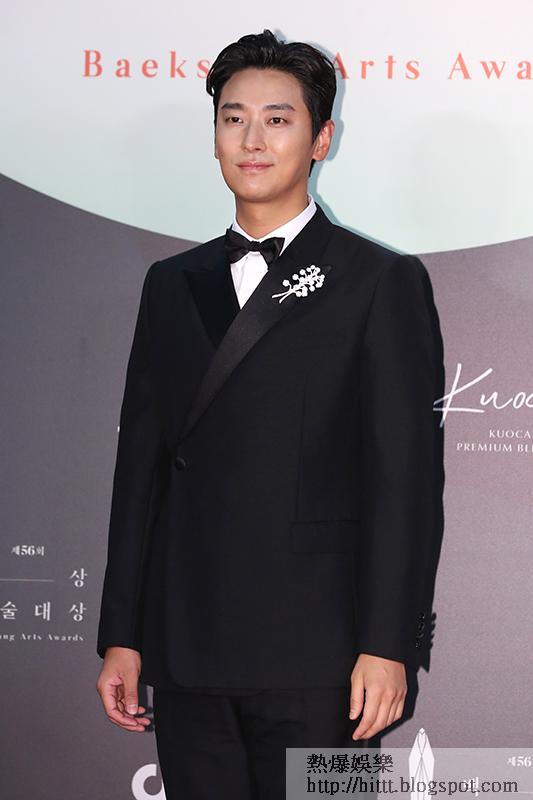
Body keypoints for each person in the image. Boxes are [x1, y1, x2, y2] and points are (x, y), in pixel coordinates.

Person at [95, 28, 445, 800]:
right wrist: (121, 633)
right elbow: (140, 470)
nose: (252, 140)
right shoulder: (171, 283)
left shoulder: (377, 281)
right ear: (215, 136)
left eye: (277, 120)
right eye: (233, 118)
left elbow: (404, 486)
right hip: (188, 645)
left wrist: (385, 644)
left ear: (321, 139)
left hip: (322, 657)